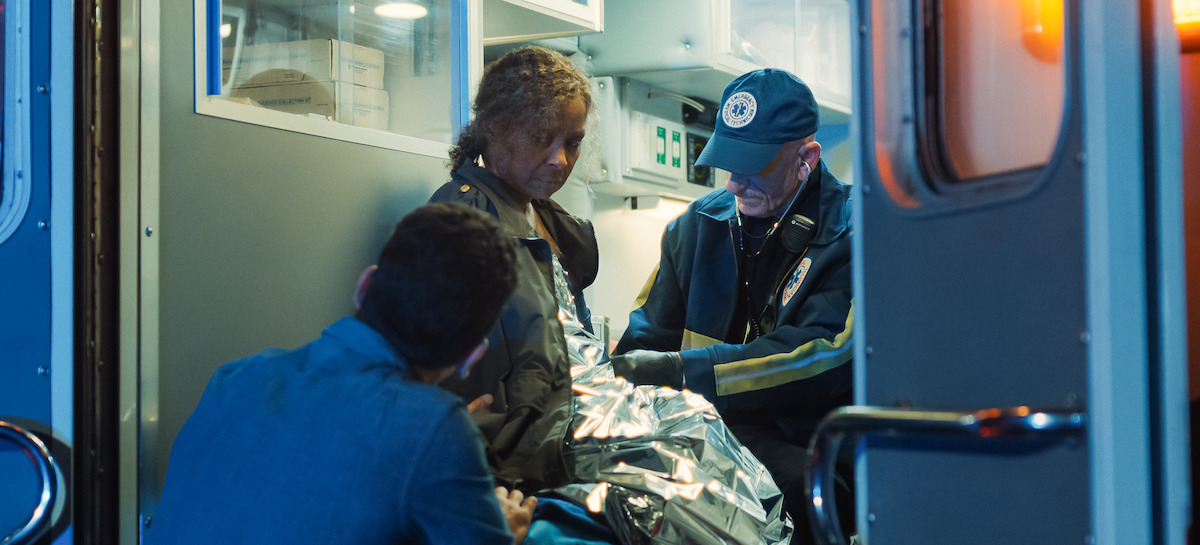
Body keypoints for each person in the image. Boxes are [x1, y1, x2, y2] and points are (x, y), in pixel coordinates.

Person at [151, 203, 538, 545]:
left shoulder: (235, 377)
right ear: (471, 355)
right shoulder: (434, 429)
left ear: (364, 285)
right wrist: (508, 529)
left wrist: (429, 435)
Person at [609, 69, 854, 543]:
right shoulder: (694, 226)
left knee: (801, 485)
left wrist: (684, 372)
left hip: (805, 448)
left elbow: (826, 355)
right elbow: (648, 340)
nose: (734, 184)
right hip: (706, 434)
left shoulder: (850, 232)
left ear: (806, 158)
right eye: (727, 163)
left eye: (752, 166)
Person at [427, 46, 598, 491]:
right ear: (495, 129)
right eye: (542, 137)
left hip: (565, 436)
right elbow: (465, 378)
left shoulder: (550, 220)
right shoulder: (462, 220)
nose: (560, 160)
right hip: (508, 464)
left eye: (572, 142)